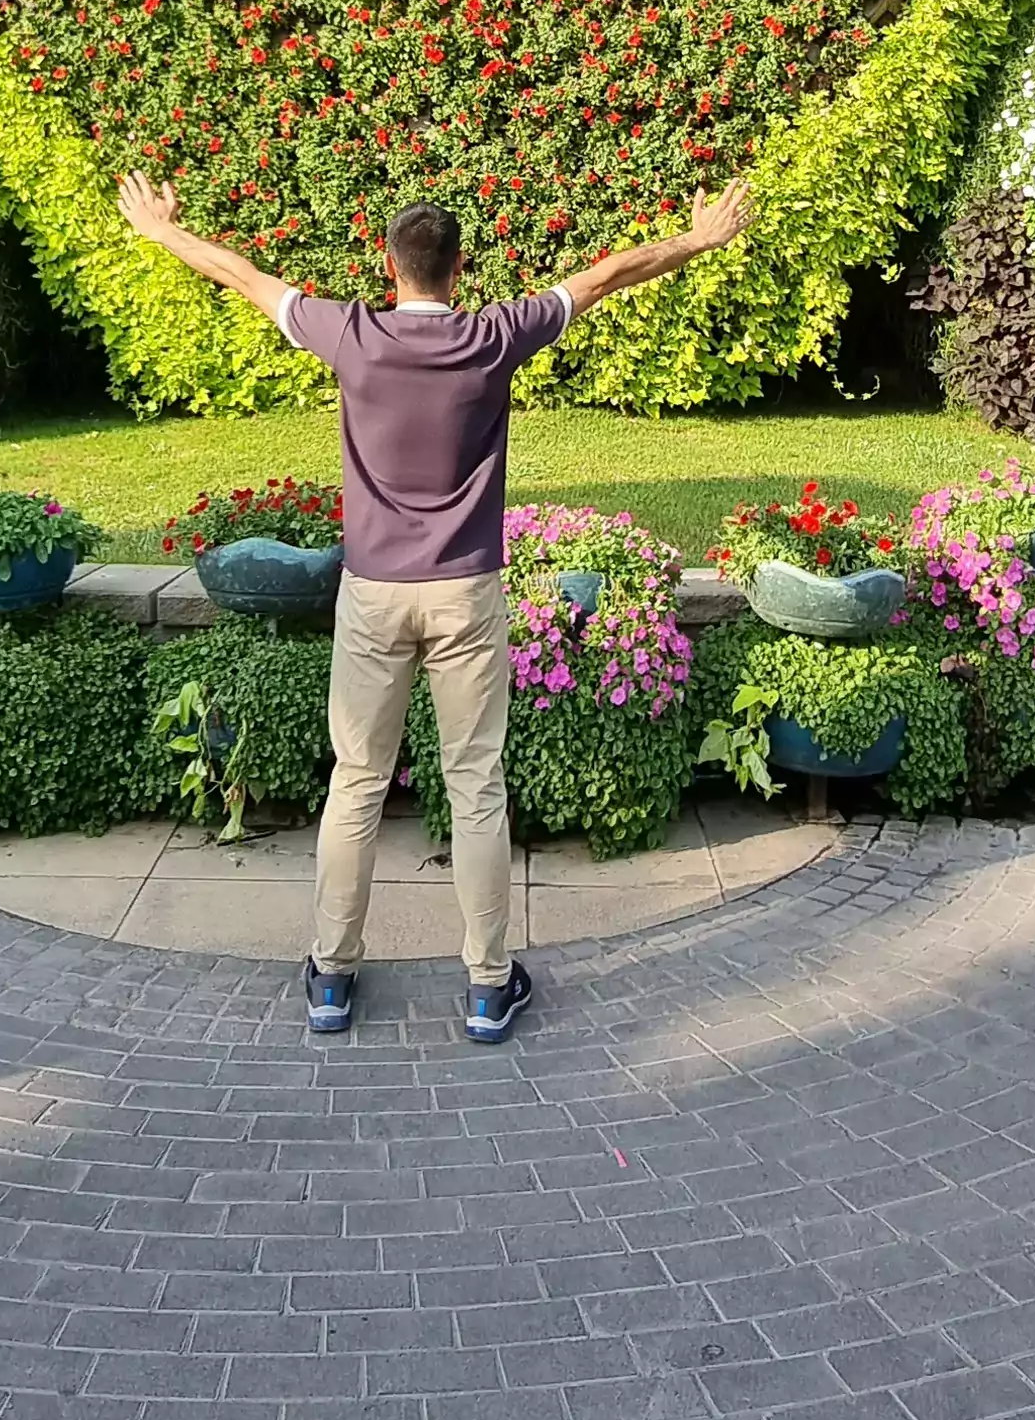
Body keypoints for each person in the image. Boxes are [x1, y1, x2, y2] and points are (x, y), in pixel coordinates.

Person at [116, 172, 749, 1041]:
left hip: (374, 595)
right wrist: (699, 239)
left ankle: (331, 977)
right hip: (465, 592)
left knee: (358, 782)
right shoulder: (494, 337)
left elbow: (241, 275)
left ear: (390, 265)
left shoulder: (351, 335)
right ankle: (489, 987)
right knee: (475, 784)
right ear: (460, 268)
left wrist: (159, 231)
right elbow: (605, 275)